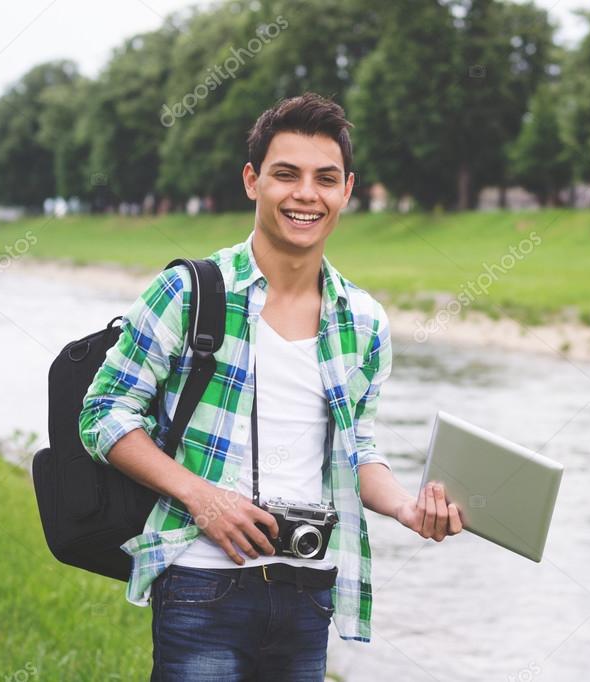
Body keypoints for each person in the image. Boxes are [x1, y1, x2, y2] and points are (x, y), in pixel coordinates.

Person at [79, 92, 463, 681]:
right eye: (287, 175)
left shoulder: (364, 321)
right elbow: (103, 413)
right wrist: (202, 497)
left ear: (347, 190)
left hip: (308, 592)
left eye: (325, 179)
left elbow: (356, 452)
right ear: (253, 181)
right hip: (198, 584)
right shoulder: (189, 292)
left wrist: (408, 509)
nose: (306, 194)